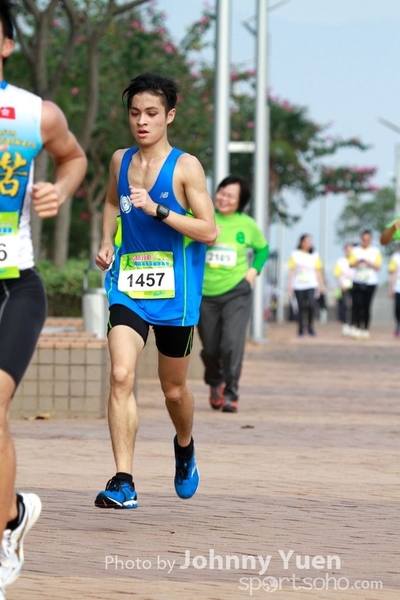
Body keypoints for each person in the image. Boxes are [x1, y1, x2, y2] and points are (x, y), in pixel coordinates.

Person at [94, 73, 216, 509]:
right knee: (121, 375)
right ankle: (123, 481)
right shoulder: (120, 160)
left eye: (151, 113)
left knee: (173, 391)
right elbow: (112, 202)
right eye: (135, 114)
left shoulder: (186, 167)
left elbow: (209, 231)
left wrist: (159, 210)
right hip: (128, 286)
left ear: (169, 116)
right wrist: (107, 241)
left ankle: (184, 445)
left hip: (176, 296)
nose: (141, 122)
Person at [0, 2, 87, 596]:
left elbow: (74, 156)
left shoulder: (35, 113)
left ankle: (1, 538)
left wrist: (60, 187)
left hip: (13, 285)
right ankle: (12, 511)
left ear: (7, 44)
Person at [197, 175, 269, 414]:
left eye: (230, 196)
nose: (223, 199)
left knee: (231, 344)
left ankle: (231, 394)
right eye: (221, 193)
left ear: (241, 201)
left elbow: (262, 249)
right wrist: (205, 238)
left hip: (236, 291)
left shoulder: (247, 225)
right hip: (205, 292)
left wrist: (253, 272)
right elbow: (185, 243)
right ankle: (215, 381)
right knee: (210, 348)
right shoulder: (203, 218)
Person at [287, 234, 324, 337]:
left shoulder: (315, 255)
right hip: (298, 285)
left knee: (312, 305)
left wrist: (321, 285)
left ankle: (310, 325)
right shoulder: (294, 255)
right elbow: (292, 270)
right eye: (307, 241)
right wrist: (290, 284)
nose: (309, 244)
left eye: (310, 242)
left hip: (311, 284)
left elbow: (318, 271)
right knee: (300, 307)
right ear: (301, 242)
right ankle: (300, 328)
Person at [348, 229, 382, 340]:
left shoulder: (375, 251)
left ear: (370, 239)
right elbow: (350, 264)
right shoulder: (355, 251)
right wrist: (358, 262)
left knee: (367, 306)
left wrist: (369, 263)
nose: (365, 241)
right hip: (357, 281)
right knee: (357, 305)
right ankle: (357, 327)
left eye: (367, 239)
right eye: (363, 239)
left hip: (370, 282)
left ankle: (365, 329)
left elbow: (378, 267)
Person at [333, 243, 354, 336]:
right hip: (345, 287)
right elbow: (337, 274)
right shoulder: (340, 262)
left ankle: (353, 325)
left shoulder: (356, 261)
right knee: (345, 306)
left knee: (355, 307)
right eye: (348, 249)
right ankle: (345, 324)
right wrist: (342, 285)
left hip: (355, 287)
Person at [388, 245, 400, 337]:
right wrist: (390, 288)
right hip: (397, 287)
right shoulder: (395, 257)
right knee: (397, 308)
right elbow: (392, 273)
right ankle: (398, 324)